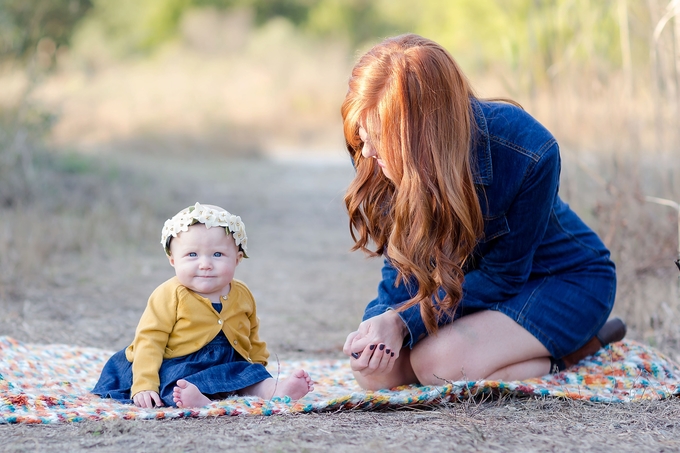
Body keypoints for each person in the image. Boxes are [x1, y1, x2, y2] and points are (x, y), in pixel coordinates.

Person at [341, 34, 626, 391]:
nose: (365, 150)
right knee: (373, 373)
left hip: (560, 282)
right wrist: (381, 323)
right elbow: (401, 266)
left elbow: (502, 278)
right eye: (362, 134)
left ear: (420, 135)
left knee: (435, 366)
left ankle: (571, 354)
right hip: (468, 296)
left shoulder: (528, 150)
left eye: (377, 137)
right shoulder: (379, 157)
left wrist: (402, 324)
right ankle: (481, 353)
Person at [93, 202, 313, 408]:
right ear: (173, 260)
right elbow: (149, 340)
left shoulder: (242, 293)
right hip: (178, 362)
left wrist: (257, 366)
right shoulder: (169, 294)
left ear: (237, 259)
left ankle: (274, 390)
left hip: (226, 363)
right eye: (192, 255)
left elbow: (251, 334)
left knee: (246, 375)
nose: (205, 264)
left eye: (218, 254)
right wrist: (145, 383)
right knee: (175, 382)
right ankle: (197, 398)